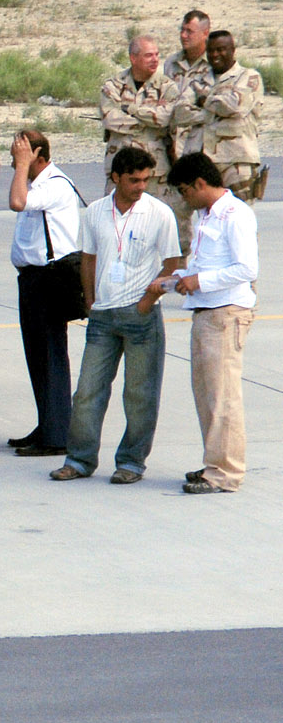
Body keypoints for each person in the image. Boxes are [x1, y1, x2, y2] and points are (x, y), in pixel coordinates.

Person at [53, 147, 180, 484]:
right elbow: (88, 258)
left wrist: (149, 298)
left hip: (141, 316)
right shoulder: (95, 212)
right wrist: (90, 300)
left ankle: (131, 462)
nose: (141, 186)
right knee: (87, 392)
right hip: (103, 316)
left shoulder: (159, 213)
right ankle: (79, 459)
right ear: (116, 178)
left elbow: (172, 263)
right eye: (134, 180)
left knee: (139, 395)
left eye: (146, 180)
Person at [152, 154, 258, 495]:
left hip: (226, 312)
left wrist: (199, 281)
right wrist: (175, 280)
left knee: (223, 397)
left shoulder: (235, 214)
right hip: (206, 311)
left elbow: (246, 269)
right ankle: (216, 461)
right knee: (208, 395)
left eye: (185, 191)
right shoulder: (206, 215)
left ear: (200, 184)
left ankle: (226, 473)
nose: (185, 199)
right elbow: (205, 265)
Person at [8, 129, 86, 457]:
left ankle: (56, 435)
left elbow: (16, 203)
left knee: (51, 354)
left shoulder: (54, 184)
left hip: (50, 278)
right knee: (37, 356)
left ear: (38, 155)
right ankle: (47, 423)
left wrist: (21, 165)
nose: (15, 160)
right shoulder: (36, 183)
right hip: (32, 279)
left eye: (21, 154)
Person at [171, 29, 265, 203]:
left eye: (221, 49)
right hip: (202, 163)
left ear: (232, 50)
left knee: (240, 214)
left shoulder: (249, 77)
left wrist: (204, 100)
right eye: (211, 50)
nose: (215, 55)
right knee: (205, 215)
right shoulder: (197, 80)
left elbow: (236, 106)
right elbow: (180, 113)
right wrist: (212, 113)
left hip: (235, 161)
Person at [99, 35, 176, 183]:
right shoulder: (113, 85)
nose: (155, 59)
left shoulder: (167, 86)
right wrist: (150, 119)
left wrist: (130, 109)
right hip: (121, 169)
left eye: (157, 54)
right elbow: (110, 120)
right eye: (148, 55)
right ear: (133, 58)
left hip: (155, 172)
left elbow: (164, 118)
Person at [165, 8, 212, 84]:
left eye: (189, 31)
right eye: (182, 30)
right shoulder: (171, 63)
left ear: (205, 34)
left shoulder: (214, 63)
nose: (183, 35)